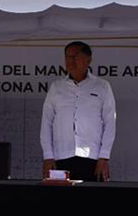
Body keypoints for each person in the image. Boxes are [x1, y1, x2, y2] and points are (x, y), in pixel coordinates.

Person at [40, 41, 116, 181]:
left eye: (75, 56)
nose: (70, 61)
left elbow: (110, 123)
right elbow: (46, 122)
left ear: (88, 60)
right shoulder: (56, 87)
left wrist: (104, 157)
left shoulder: (102, 86)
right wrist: (48, 156)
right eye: (67, 57)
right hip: (60, 157)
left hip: (91, 158)